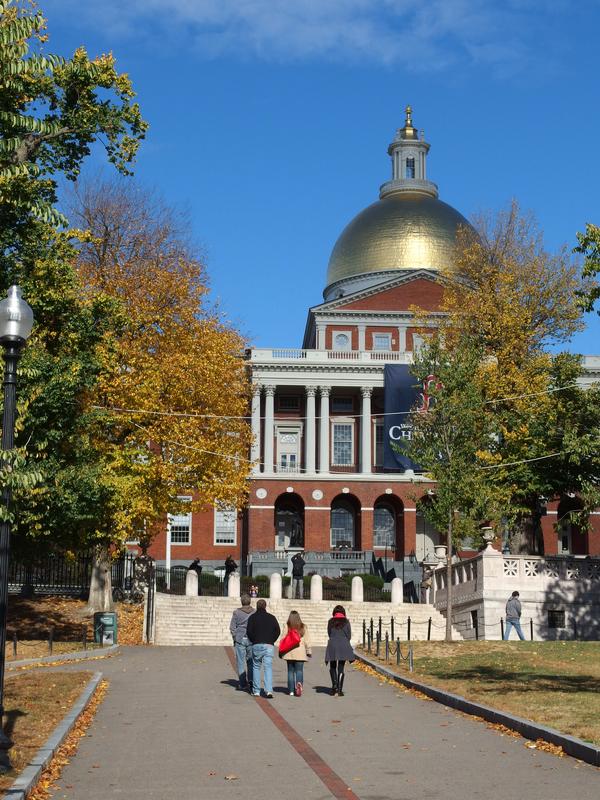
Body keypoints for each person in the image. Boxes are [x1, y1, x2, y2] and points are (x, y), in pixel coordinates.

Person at [246, 598, 281, 698]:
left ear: (257, 606)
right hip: (269, 645)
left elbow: (248, 631)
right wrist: (271, 640)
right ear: (265, 606)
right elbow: (277, 631)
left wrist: (253, 640)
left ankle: (256, 690)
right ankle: (269, 690)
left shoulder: (252, 617)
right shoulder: (272, 617)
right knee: (268, 668)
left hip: (256, 644)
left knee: (256, 667)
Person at [325, 605, 354, 697]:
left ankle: (334, 687)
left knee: (332, 666)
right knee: (341, 667)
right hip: (343, 644)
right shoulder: (346, 622)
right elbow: (349, 635)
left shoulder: (330, 622)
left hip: (333, 644)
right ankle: (340, 690)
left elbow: (329, 633)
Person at [281, 610, 312, 696]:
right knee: (299, 671)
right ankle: (299, 685)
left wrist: (281, 651)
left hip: (289, 652)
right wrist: (308, 651)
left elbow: (282, 639)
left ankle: (291, 690)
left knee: (290, 671)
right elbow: (307, 640)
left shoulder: (287, 626)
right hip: (300, 652)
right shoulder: (303, 626)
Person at [229, 593, 255, 690]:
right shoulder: (254, 612)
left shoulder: (236, 612)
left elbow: (232, 627)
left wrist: (235, 637)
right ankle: (251, 680)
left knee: (240, 662)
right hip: (251, 639)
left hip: (240, 639)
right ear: (250, 601)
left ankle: (242, 683)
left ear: (241, 602)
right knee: (251, 661)